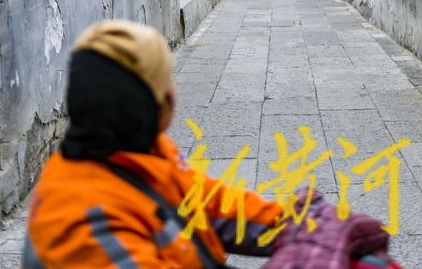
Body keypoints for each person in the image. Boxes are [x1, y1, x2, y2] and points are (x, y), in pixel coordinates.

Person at [25, 21, 285, 268]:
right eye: (166, 80)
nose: (174, 89)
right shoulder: (81, 219)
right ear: (149, 104)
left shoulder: (149, 153)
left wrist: (295, 224)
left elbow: (210, 203)